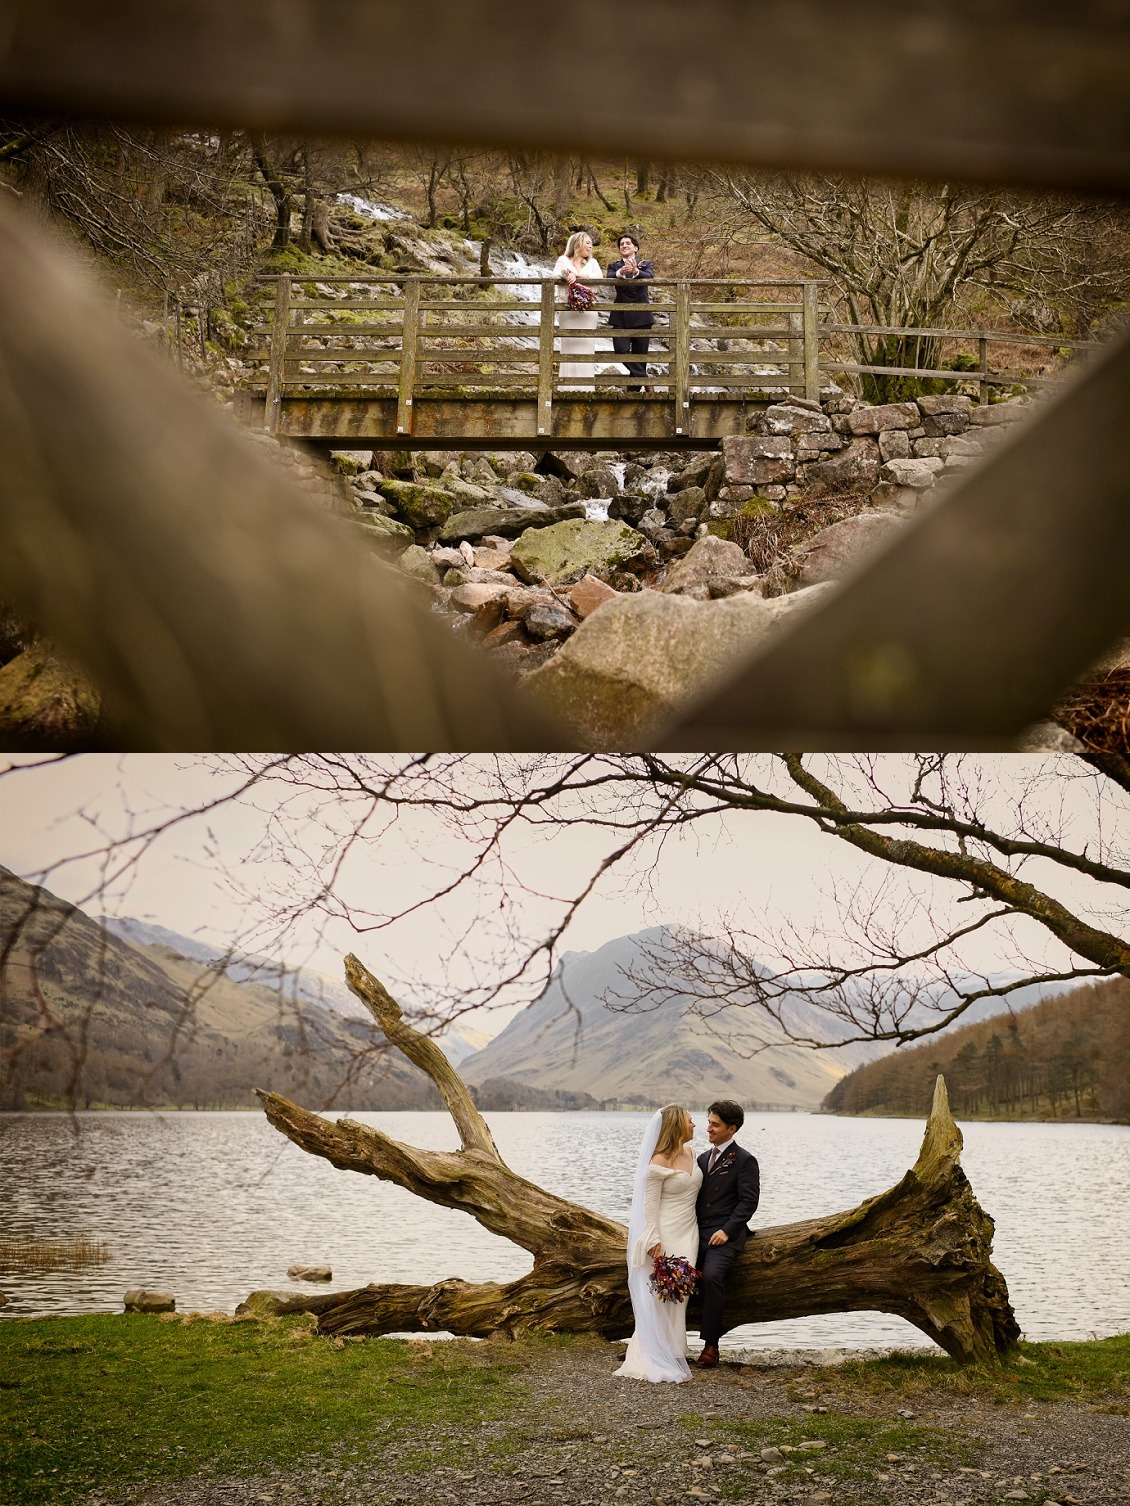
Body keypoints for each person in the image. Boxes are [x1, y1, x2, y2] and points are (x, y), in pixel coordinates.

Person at [615, 1104, 702, 1383]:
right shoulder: (658, 1161)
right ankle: (651, 1353)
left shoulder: (691, 1153)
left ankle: (673, 1350)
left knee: (682, 1294)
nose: (695, 1125)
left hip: (689, 1233)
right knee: (661, 1296)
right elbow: (649, 1205)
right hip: (664, 1235)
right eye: (690, 1121)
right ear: (677, 1125)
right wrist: (652, 1238)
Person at [694, 1099, 760, 1369]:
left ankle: (711, 1346)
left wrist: (727, 1230)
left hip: (726, 1235)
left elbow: (748, 1202)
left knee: (711, 1276)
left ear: (731, 1129)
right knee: (671, 1273)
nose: (708, 1128)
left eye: (715, 1124)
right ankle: (657, 1342)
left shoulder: (745, 1160)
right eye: (708, 1121)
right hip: (695, 1233)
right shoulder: (700, 1158)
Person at [552, 231, 602, 390]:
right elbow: (554, 275)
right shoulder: (563, 260)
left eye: (590, 244)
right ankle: (567, 387)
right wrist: (566, 275)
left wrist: (577, 275)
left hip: (587, 312)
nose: (590, 246)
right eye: (587, 243)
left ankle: (586, 388)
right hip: (568, 312)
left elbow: (599, 278)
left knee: (586, 347)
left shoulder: (592, 263)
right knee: (569, 346)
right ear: (578, 243)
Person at [606, 232, 655, 391]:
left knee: (640, 358)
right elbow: (610, 277)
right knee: (620, 350)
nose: (624, 246)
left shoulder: (646, 264)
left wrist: (635, 272)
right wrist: (622, 272)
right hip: (621, 316)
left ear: (636, 247)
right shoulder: (614, 266)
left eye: (628, 243)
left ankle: (632, 394)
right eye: (621, 244)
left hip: (642, 315)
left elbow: (650, 276)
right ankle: (646, 380)